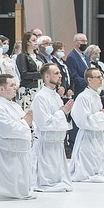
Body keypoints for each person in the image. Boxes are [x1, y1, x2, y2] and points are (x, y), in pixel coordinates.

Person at [0, 74, 35, 201]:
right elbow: (7, 129)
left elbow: (28, 121)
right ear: (2, 89)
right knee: (6, 188)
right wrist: (24, 123)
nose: (15, 88)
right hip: (6, 153)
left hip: (19, 152)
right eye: (12, 85)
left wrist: (26, 123)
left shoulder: (14, 105)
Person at [31, 63, 74, 192]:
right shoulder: (40, 97)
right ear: (47, 76)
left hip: (57, 143)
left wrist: (64, 113)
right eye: (56, 73)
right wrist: (63, 112)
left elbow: (59, 118)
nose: (60, 75)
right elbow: (44, 124)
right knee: (48, 181)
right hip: (47, 143)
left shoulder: (56, 96)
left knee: (60, 180)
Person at [70, 67, 104, 183]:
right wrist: (101, 115)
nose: (101, 79)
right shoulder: (83, 97)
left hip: (96, 134)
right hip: (87, 135)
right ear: (89, 80)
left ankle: (96, 171)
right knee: (87, 161)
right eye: (97, 77)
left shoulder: (96, 95)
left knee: (97, 155)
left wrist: (103, 115)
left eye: (101, 77)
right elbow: (82, 120)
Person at [66, 33, 90, 98]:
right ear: (75, 42)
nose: (84, 43)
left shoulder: (86, 57)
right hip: (79, 90)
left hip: (88, 89)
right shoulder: (72, 57)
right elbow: (74, 76)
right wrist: (88, 82)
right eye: (82, 41)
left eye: (85, 41)